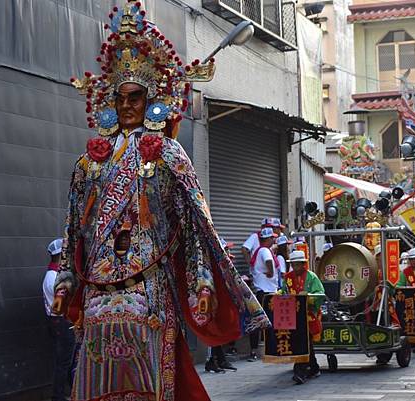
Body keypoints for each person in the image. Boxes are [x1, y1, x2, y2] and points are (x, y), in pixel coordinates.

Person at [52, 4, 269, 400]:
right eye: (120, 98)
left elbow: (195, 226)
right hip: (99, 289)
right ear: (109, 102)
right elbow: (72, 229)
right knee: (95, 373)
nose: (127, 105)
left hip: (151, 284)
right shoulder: (90, 164)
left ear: (152, 98)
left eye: (136, 96)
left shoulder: (168, 154)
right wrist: (66, 277)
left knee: (152, 377)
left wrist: (201, 280)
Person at [281, 250, 325, 385]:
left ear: (303, 264)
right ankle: (314, 367)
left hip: (308, 315)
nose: (295, 267)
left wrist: (309, 297)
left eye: (297, 265)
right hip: (292, 316)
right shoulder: (287, 277)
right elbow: (284, 292)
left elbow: (320, 293)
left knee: (303, 342)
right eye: (293, 265)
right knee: (302, 342)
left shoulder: (311, 277)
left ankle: (299, 371)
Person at [43, 238, 75, 401]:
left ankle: (71, 392)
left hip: (56, 322)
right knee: (64, 363)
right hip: (62, 322)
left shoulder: (51, 274)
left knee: (66, 361)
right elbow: (60, 307)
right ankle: (58, 397)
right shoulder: (57, 277)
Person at [204, 239, 237, 373]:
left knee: (219, 330)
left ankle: (220, 359)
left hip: (219, 302)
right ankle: (211, 361)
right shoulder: (211, 265)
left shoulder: (222, 264)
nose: (228, 251)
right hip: (211, 302)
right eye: (226, 249)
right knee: (213, 330)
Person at [248, 227, 279, 361]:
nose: (273, 239)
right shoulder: (265, 250)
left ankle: (255, 350)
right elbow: (269, 261)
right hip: (267, 292)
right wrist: (271, 272)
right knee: (269, 321)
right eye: (272, 237)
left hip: (262, 291)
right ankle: (271, 349)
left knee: (259, 321)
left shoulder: (259, 251)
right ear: (267, 239)